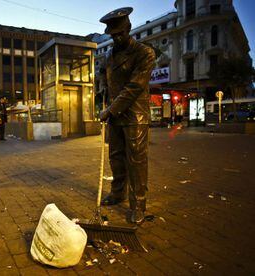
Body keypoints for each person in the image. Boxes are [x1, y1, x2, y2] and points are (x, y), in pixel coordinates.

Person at [98, 7, 156, 224]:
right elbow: (105, 79)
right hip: (115, 116)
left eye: (120, 33)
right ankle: (117, 192)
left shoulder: (144, 53)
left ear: (129, 29)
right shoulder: (108, 56)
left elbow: (133, 87)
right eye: (113, 35)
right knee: (116, 158)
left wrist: (109, 110)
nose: (117, 38)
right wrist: (103, 93)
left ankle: (139, 204)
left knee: (136, 161)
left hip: (135, 116)